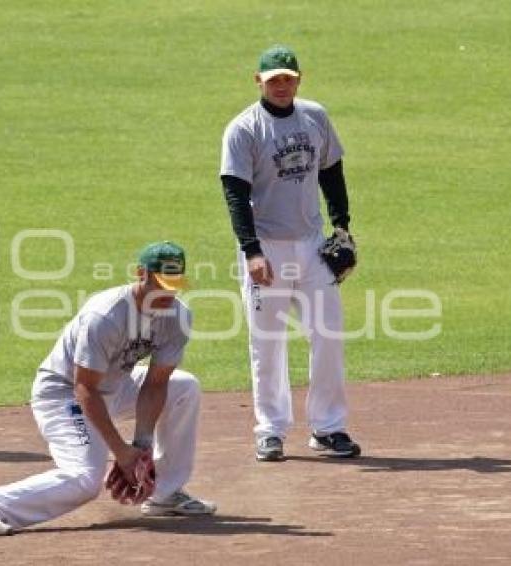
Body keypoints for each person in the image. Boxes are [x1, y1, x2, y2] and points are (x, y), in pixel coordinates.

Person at [0, 242, 216, 535]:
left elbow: (156, 384)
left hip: (115, 386)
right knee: (85, 479)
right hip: (64, 394)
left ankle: (165, 493)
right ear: (141, 274)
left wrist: (141, 446)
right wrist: (120, 451)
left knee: (185, 387)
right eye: (163, 285)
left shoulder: (178, 316)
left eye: (176, 285)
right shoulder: (105, 316)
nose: (169, 294)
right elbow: (84, 388)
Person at [219, 44, 361, 462]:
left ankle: (328, 427)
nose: (281, 86)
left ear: (299, 80)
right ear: (258, 81)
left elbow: (331, 171)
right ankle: (270, 429)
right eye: (273, 79)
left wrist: (342, 227)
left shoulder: (315, 116)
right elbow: (235, 194)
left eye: (288, 78)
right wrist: (251, 251)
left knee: (329, 335)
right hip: (267, 247)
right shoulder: (244, 129)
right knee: (267, 342)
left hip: (313, 245)